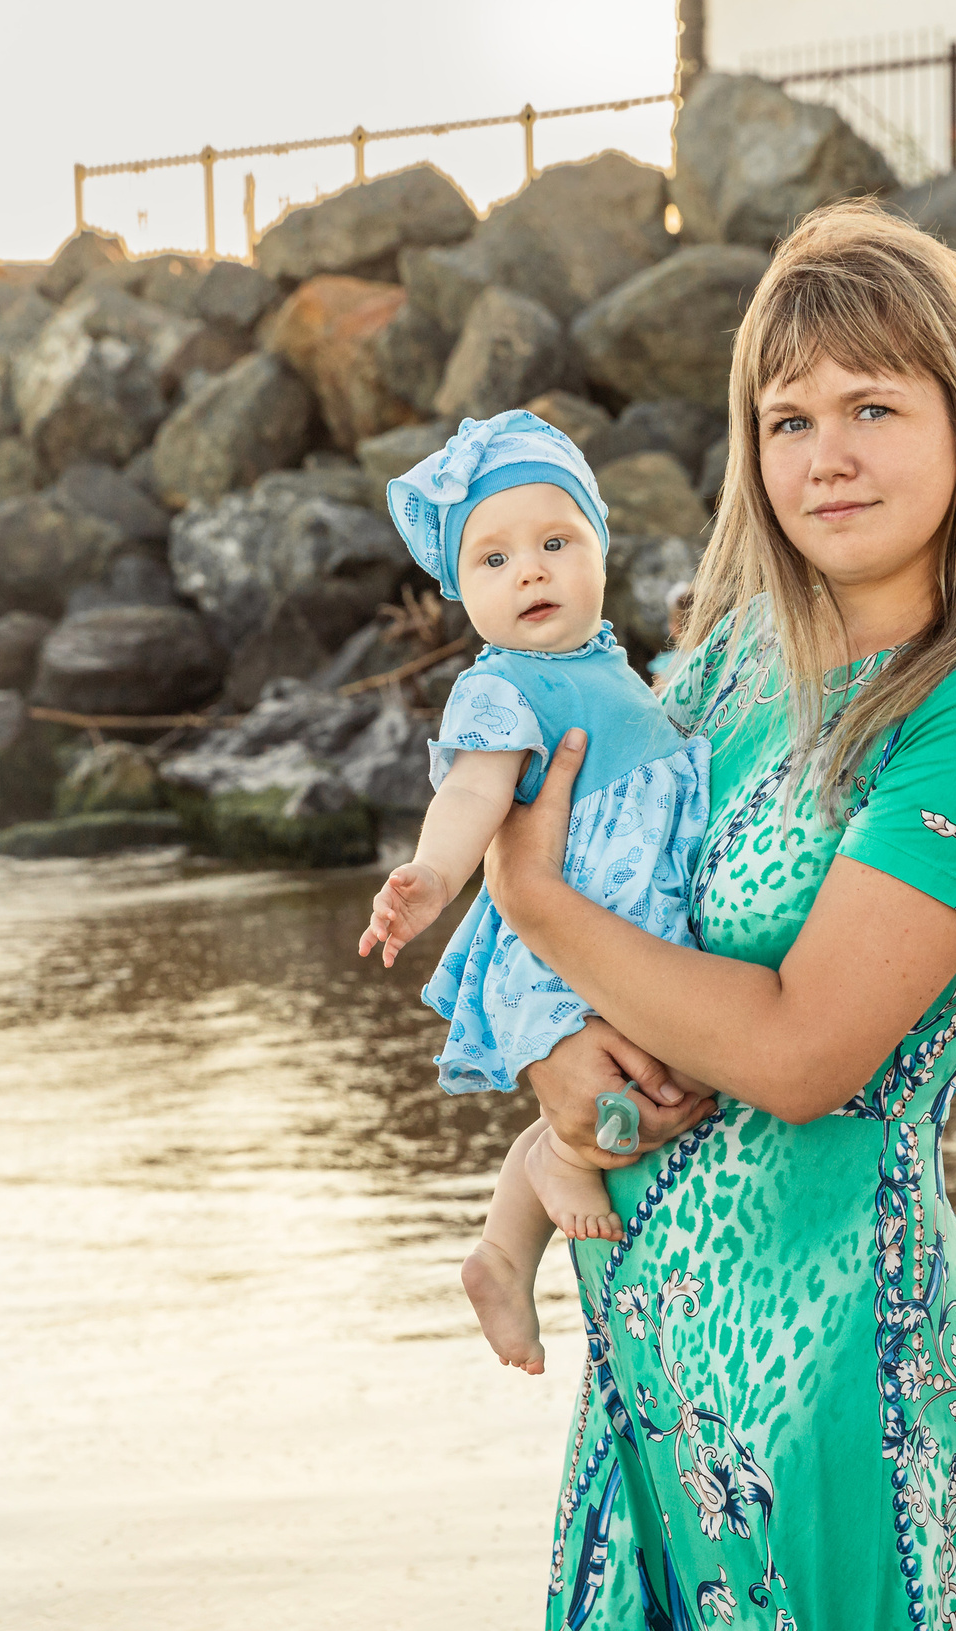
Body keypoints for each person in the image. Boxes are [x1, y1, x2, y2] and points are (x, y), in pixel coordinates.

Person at [480, 201, 956, 1631]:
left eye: (876, 407)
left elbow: (800, 1050)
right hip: (657, 1392)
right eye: (789, 416)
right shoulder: (725, 666)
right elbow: (623, 928)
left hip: (847, 1409)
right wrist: (553, 1052)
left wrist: (534, 901)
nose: (827, 453)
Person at [356, 409, 711, 1377]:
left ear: (601, 547)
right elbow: (473, 789)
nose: (531, 572)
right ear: (459, 590)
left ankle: (503, 1254)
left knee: (630, 1084)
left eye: (556, 542)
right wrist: (432, 877)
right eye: (494, 560)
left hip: (618, 918)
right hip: (574, 930)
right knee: (620, 1096)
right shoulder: (501, 689)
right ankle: (529, 1216)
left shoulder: (606, 665)